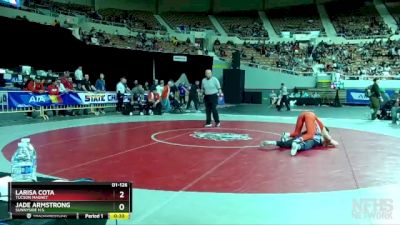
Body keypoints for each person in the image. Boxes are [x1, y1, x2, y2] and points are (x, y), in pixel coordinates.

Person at [260, 111, 339, 156]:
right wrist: (328, 140)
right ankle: (297, 145)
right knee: (309, 141)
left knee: (292, 139)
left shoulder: (316, 130)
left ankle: (274, 142)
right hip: (310, 127)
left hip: (303, 114)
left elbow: (299, 134)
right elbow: (334, 142)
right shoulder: (323, 132)